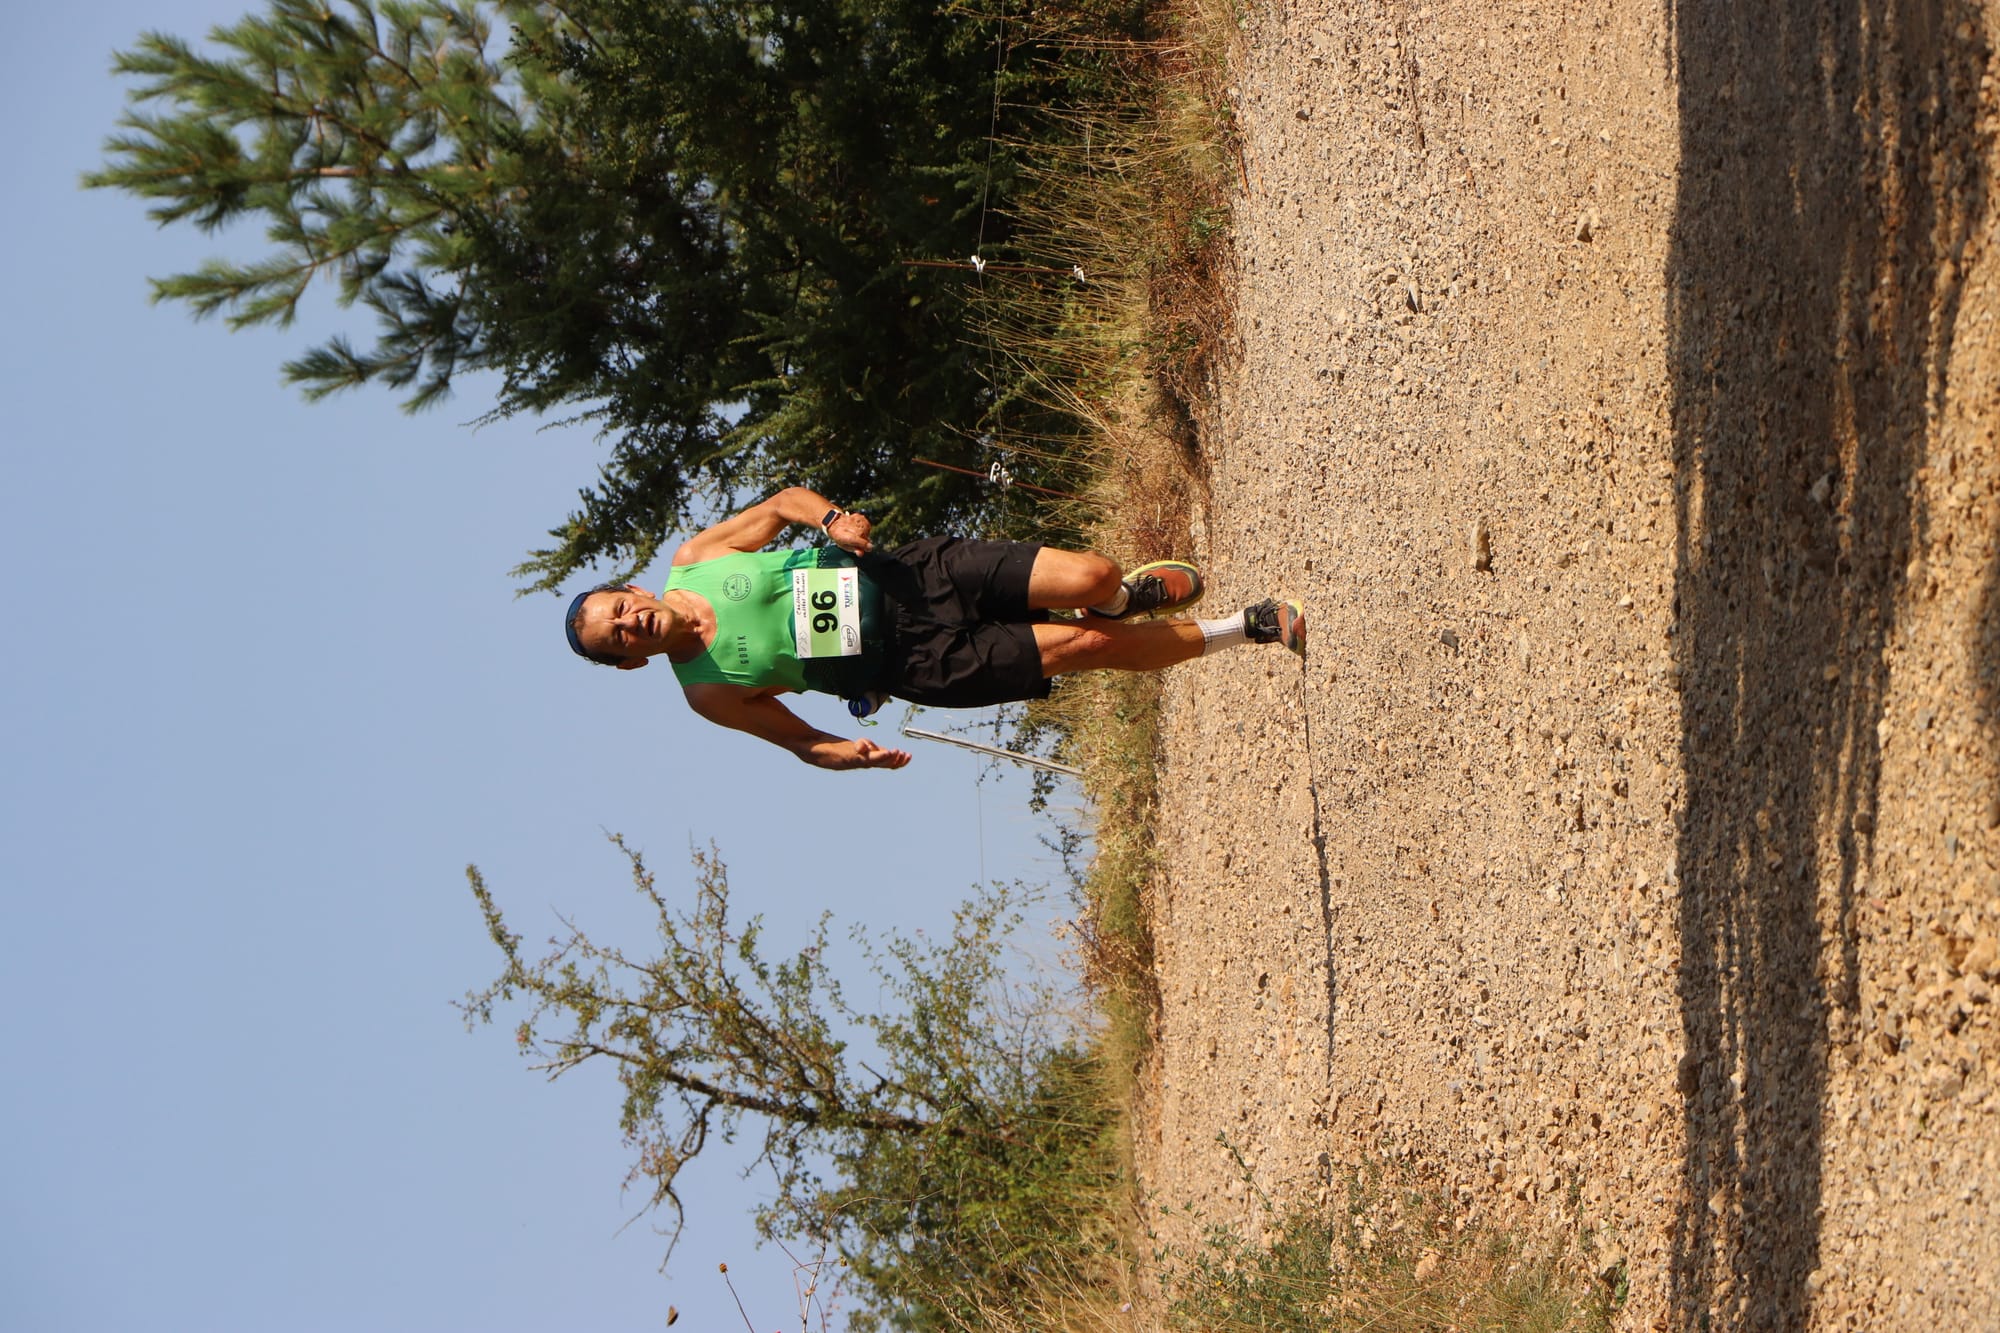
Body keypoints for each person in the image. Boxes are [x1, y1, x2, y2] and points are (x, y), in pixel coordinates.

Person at [564, 486, 1304, 770]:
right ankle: (1251, 626)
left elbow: (785, 503)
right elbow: (796, 739)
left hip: (909, 575)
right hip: (915, 663)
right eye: (617, 640)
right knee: (1086, 648)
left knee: (1092, 577)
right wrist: (844, 755)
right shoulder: (707, 691)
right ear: (629, 665)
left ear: (631, 588)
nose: (630, 625)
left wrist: (832, 520)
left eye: (619, 611)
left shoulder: (696, 558)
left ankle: (1119, 595)